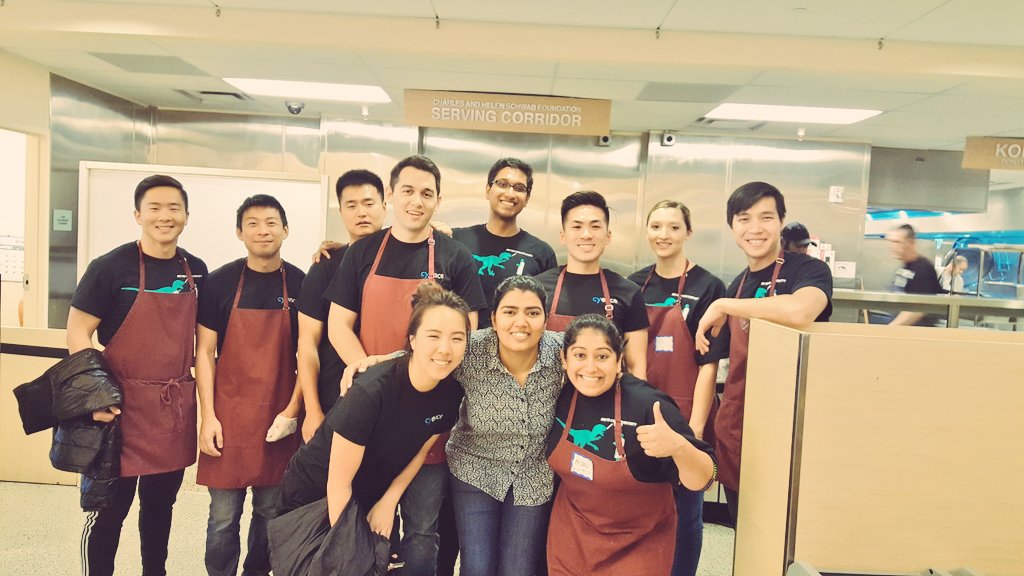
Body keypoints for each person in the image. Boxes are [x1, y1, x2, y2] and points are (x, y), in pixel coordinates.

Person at [324, 154, 486, 576]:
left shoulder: (456, 257)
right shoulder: (361, 252)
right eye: (408, 191)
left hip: (431, 414)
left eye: (427, 194)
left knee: (422, 530)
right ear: (391, 195)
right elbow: (338, 324)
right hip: (372, 411)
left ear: (438, 201)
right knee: (367, 521)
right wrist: (368, 371)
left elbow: (467, 333)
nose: (417, 201)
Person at [66, 174, 208, 576]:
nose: (165, 216)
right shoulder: (110, 267)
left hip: (171, 410)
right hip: (117, 411)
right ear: (138, 214)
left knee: (161, 508)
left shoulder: (195, 270)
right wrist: (97, 398)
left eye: (173, 208)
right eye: (155, 208)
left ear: (186, 216)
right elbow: (77, 332)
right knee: (108, 511)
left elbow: (205, 344)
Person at [273, 284, 470, 572]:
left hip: (370, 491)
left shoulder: (451, 393)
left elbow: (420, 451)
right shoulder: (370, 392)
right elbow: (337, 484)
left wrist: (389, 501)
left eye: (457, 338)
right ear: (413, 339)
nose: (445, 349)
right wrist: (351, 550)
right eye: (433, 336)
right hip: (316, 493)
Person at [695, 181, 832, 525]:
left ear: (781, 221)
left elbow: (801, 311)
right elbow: (712, 366)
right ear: (733, 227)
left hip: (790, 429)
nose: (755, 228)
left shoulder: (806, 270)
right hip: (739, 431)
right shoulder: (737, 284)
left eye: (766, 217)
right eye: (744, 219)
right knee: (747, 530)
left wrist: (726, 305)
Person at [545, 314, 715, 576]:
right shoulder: (559, 396)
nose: (590, 368)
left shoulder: (649, 405)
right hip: (572, 538)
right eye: (580, 355)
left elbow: (705, 478)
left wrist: (679, 447)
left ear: (619, 361)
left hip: (638, 544)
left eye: (602, 356)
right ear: (564, 360)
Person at [194, 194, 305, 576]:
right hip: (228, 415)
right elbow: (204, 352)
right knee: (223, 516)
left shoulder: (302, 284)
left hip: (279, 414)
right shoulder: (219, 282)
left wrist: (292, 412)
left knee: (270, 512)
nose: (263, 230)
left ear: (286, 230)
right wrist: (207, 417)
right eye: (253, 223)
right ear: (240, 232)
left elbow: (307, 356)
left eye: (272, 222)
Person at [627, 199, 728, 576]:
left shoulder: (708, 286)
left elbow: (709, 365)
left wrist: (696, 429)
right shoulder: (634, 284)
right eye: (656, 226)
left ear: (688, 232)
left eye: (673, 227)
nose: (663, 235)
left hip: (686, 415)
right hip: (641, 414)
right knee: (644, 507)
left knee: (687, 516)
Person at [444, 275, 563, 576]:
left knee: (519, 569)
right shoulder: (470, 349)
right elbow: (422, 357)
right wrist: (369, 362)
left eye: (532, 313)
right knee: (478, 567)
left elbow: (603, 362)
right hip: (474, 470)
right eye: (510, 311)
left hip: (533, 475)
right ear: (494, 319)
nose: (520, 322)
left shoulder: (562, 352)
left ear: (545, 320)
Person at [288, 169, 387, 442]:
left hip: (392, 395)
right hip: (334, 398)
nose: (361, 212)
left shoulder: (406, 261)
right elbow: (307, 343)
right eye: (351, 205)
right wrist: (313, 410)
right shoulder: (325, 265)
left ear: (385, 206)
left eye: (369, 204)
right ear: (341, 212)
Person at [534, 190, 648, 378]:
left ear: (608, 236)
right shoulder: (537, 288)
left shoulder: (628, 292)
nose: (586, 235)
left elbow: (636, 368)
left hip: (605, 403)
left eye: (595, 227)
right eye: (577, 227)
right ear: (563, 236)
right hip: (547, 403)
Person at [452, 157, 558, 329]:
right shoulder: (457, 239)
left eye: (519, 188)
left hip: (516, 346)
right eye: (502, 184)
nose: (510, 193)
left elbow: (543, 314)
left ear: (527, 198)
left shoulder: (541, 253)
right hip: (460, 345)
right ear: (488, 190)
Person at [885, 223, 943, 326]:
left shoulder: (923, 269)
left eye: (897, 242)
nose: (893, 247)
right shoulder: (904, 267)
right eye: (890, 242)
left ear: (911, 243)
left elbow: (918, 309)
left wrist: (891, 328)